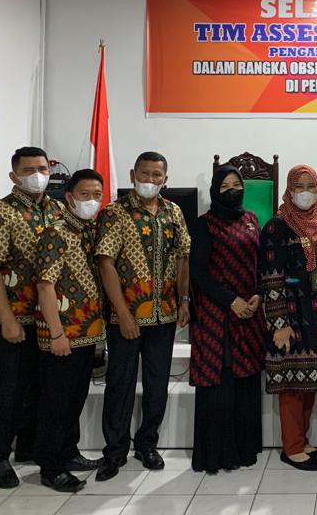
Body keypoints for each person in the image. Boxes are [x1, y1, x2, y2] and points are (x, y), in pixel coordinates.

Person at [95, 151, 191, 481]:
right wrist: (123, 313)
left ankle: (147, 444)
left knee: (156, 383)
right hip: (126, 317)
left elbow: (182, 258)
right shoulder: (115, 213)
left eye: (156, 175)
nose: (150, 180)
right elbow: (105, 263)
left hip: (164, 315)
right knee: (119, 384)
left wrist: (184, 300)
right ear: (132, 174)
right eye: (145, 174)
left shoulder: (173, 212)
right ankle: (114, 451)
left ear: (166, 179)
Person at [0, 146, 66, 488]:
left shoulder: (57, 209)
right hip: (13, 317)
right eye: (28, 170)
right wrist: (7, 318)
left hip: (48, 319)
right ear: (14, 176)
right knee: (7, 391)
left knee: (41, 388)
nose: (37, 175)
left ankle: (30, 448)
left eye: (42, 169)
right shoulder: (0, 214)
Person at [33, 169, 107, 493]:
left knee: (75, 398)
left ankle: (69, 453)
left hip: (87, 332)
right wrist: (57, 333)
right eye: (84, 195)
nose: (91, 201)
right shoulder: (56, 233)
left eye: (96, 195)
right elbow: (44, 285)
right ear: (68, 197)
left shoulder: (90, 231)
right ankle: (51, 467)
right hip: (63, 333)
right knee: (56, 403)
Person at [260, 164, 317, 471]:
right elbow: (271, 277)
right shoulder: (277, 226)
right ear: (289, 189)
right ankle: (291, 448)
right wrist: (279, 324)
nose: (305, 192)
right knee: (292, 383)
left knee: (309, 380)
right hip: (291, 313)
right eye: (299, 186)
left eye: (311, 186)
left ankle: (302, 441)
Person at [189, 166, 266, 474]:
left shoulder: (251, 220)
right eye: (225, 186)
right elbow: (198, 272)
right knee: (220, 378)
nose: (232, 190)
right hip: (217, 314)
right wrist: (230, 300)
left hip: (249, 312)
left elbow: (260, 262)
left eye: (237, 185)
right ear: (215, 191)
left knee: (246, 378)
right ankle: (217, 455)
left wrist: (258, 294)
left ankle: (245, 450)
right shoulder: (204, 224)